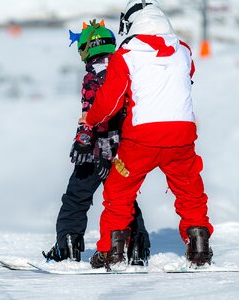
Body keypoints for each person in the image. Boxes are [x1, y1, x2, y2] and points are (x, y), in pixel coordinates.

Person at [81, 1, 214, 269]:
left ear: (130, 24)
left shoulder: (126, 54)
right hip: (182, 134)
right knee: (190, 191)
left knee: (119, 192)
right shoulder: (184, 51)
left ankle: (112, 252)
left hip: (142, 138)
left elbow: (111, 101)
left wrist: (91, 120)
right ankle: (199, 247)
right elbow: (186, 79)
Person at [42, 20, 151, 266]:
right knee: (124, 199)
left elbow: (93, 112)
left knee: (76, 198)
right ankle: (136, 247)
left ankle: (67, 247)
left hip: (95, 150)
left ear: (86, 49)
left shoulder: (93, 76)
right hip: (125, 148)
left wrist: (82, 139)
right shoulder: (125, 71)